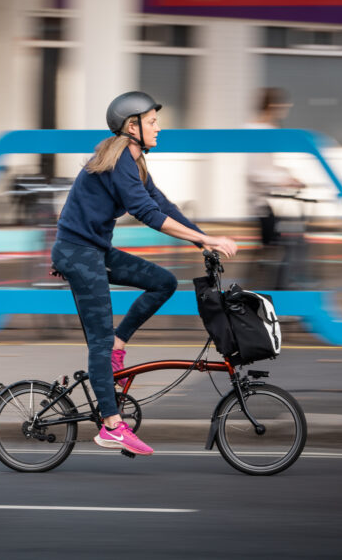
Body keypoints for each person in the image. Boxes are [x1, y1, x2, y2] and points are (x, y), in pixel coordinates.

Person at [51, 91, 237, 456]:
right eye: (152, 121)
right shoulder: (120, 159)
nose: (159, 127)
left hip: (94, 251)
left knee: (163, 282)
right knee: (99, 343)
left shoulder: (133, 162)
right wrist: (204, 238)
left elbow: (162, 204)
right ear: (131, 126)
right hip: (78, 254)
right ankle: (111, 426)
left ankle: (120, 345)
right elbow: (148, 215)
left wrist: (203, 242)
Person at [244, 87, 303, 246]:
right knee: (273, 239)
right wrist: (283, 180)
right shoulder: (257, 130)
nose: (285, 110)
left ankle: (267, 264)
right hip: (258, 199)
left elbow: (266, 164)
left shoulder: (267, 129)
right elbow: (254, 170)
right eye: (282, 106)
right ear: (272, 107)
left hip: (263, 197)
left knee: (274, 237)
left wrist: (287, 176)